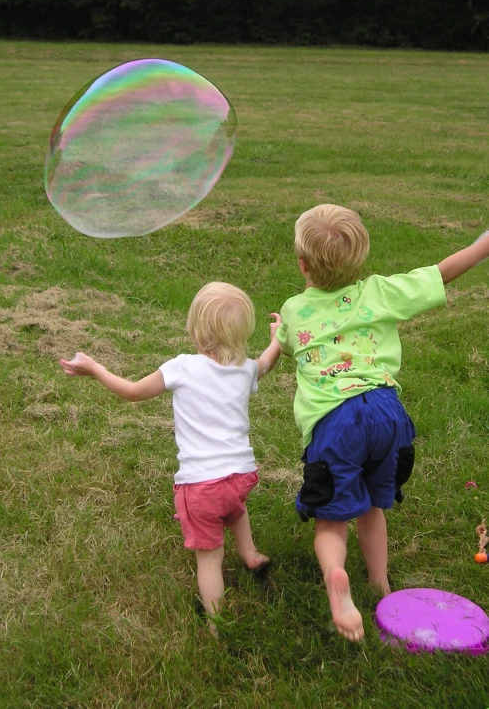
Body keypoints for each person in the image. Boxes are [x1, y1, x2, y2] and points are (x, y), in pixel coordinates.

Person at [276, 203, 489, 642]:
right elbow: (442, 272)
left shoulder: (294, 310)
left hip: (337, 422)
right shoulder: (380, 292)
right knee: (374, 502)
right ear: (362, 259)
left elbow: (283, 344)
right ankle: (379, 582)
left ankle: (337, 576)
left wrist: (279, 329)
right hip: (388, 412)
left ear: (302, 264)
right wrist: (483, 245)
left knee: (331, 522)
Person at [60, 281, 282, 638]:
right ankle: (251, 553)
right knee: (234, 504)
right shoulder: (245, 369)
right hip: (242, 474)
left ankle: (215, 623)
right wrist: (277, 338)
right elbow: (268, 362)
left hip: (200, 484)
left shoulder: (181, 367)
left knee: (209, 557)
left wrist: (96, 368)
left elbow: (133, 393)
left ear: (195, 330)